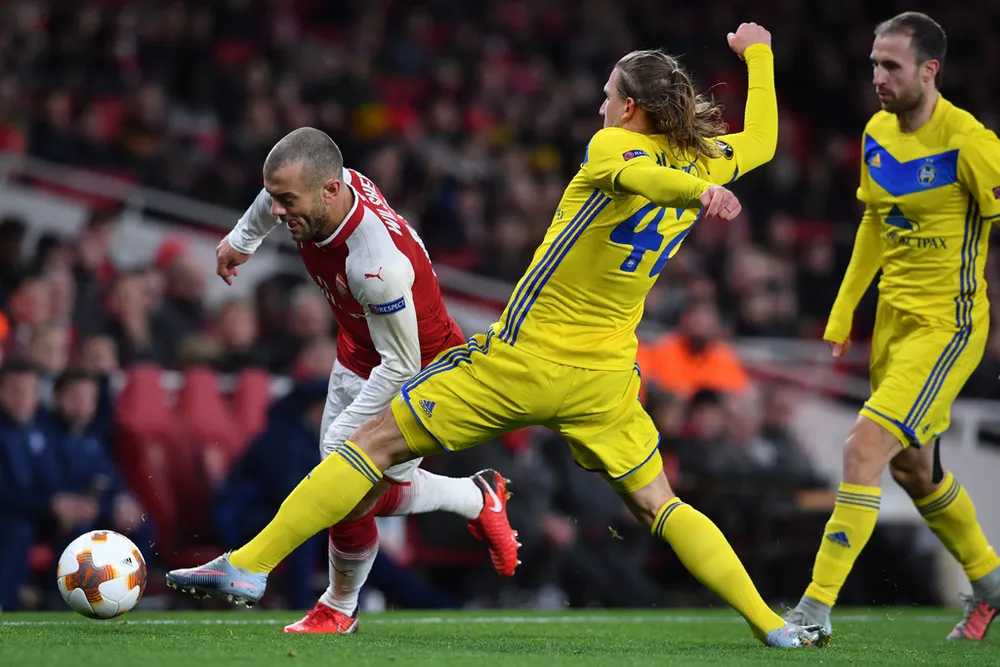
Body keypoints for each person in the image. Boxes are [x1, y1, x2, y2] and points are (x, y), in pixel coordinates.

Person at [169, 23, 828, 648]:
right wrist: (759, 60)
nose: (599, 105)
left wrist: (687, 190)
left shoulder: (613, 149)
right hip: (604, 381)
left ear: (630, 109)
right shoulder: (705, 161)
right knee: (660, 502)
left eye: (607, 95)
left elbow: (637, 176)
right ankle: (769, 621)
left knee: (367, 445)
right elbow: (763, 141)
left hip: (522, 362)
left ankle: (250, 564)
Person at [167, 127, 520, 634]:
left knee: (345, 480)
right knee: (354, 494)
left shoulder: (375, 264)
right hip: (357, 353)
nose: (281, 211)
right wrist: (239, 241)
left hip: (423, 367)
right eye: (278, 198)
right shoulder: (322, 188)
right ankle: (473, 499)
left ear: (330, 191)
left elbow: (403, 364)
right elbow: (273, 199)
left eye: (290, 201)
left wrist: (345, 446)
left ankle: (329, 601)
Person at [783, 12, 1000, 641]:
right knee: (913, 468)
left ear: (930, 71)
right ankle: (990, 586)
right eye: (874, 63)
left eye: (891, 66)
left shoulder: (970, 142)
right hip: (894, 326)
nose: (877, 76)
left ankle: (813, 611)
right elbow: (875, 224)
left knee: (863, 448)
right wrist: (845, 309)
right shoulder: (878, 130)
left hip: (948, 327)